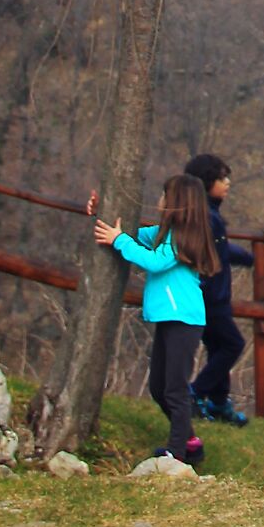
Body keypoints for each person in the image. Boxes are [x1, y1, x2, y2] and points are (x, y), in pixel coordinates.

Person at [90, 174, 216, 466]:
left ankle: (178, 453)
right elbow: (135, 235)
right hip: (170, 318)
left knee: (175, 388)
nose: (159, 200)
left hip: (183, 319)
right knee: (159, 387)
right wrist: (102, 213)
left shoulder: (181, 237)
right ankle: (191, 441)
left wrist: (119, 240)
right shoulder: (165, 233)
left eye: (164, 195)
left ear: (177, 203)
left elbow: (153, 261)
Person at [184, 152, 254, 427]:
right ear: (206, 182)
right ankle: (197, 393)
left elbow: (221, 249)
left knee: (218, 348)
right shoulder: (206, 217)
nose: (227, 183)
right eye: (221, 178)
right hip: (210, 297)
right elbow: (214, 254)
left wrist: (247, 258)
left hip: (210, 296)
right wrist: (248, 258)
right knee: (232, 344)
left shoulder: (207, 214)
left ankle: (218, 402)